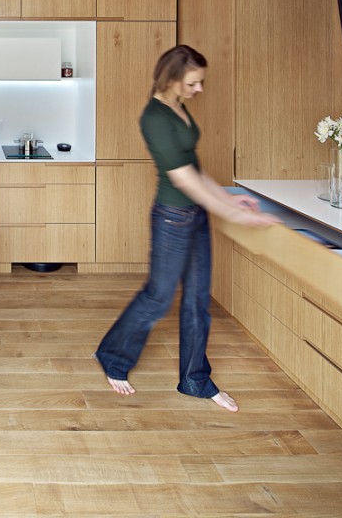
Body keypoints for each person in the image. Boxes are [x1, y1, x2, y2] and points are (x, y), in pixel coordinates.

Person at [94, 44, 279, 413]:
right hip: (173, 218)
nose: (200, 89)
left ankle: (195, 380)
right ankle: (113, 356)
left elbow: (195, 167)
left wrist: (230, 200)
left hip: (196, 215)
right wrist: (232, 215)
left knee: (198, 300)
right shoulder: (155, 118)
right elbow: (182, 179)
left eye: (200, 82)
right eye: (193, 83)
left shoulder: (179, 107)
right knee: (158, 297)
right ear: (172, 79)